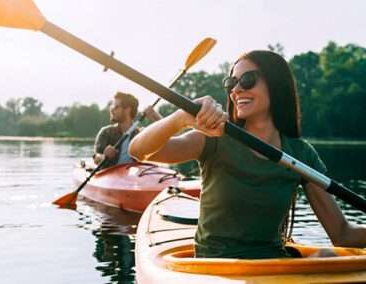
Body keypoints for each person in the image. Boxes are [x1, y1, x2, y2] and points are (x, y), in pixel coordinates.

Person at [129, 50, 366, 259]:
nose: (237, 89)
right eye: (231, 82)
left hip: (274, 269)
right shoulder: (213, 137)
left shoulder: (301, 154)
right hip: (214, 269)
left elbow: (342, 234)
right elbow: (139, 150)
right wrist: (180, 118)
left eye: (247, 79)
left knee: (325, 258)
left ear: (275, 84)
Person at [93, 91, 161, 168]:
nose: (111, 110)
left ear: (127, 109)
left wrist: (156, 117)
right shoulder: (106, 132)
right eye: (111, 107)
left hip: (132, 177)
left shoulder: (142, 134)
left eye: (115, 107)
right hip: (109, 176)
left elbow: (170, 139)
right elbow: (96, 157)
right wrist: (103, 156)